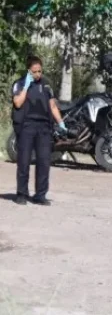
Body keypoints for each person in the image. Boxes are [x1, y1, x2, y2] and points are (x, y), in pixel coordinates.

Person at [11, 55, 66, 206]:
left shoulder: (46, 84)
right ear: (28, 71)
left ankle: (40, 195)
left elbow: (52, 106)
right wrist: (27, 86)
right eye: (34, 72)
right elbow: (17, 103)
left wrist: (61, 122)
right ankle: (22, 193)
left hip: (44, 127)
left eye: (40, 71)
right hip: (26, 126)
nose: (37, 74)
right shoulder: (20, 83)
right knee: (24, 161)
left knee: (44, 161)